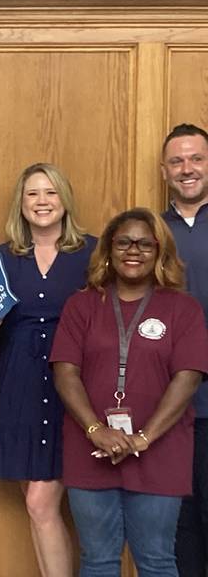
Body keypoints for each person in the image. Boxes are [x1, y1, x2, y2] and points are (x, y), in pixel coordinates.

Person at [51, 207, 208, 577]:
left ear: (159, 251)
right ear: (107, 249)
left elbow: (187, 377)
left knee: (156, 560)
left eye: (144, 244)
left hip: (160, 451)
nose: (133, 251)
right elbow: (65, 372)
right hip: (90, 450)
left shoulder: (183, 308)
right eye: (123, 242)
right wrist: (96, 429)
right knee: (98, 560)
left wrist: (143, 438)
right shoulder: (82, 305)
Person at [0, 163, 94, 577]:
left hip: (74, 387)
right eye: (33, 194)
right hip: (17, 386)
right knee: (36, 507)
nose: (42, 202)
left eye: (51, 193)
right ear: (21, 205)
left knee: (41, 504)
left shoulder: (93, 254)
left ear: (65, 201)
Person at [160, 123, 208, 577]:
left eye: (196, 159)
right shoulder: (151, 233)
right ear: (164, 170)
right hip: (170, 405)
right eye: (177, 161)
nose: (187, 169)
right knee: (180, 525)